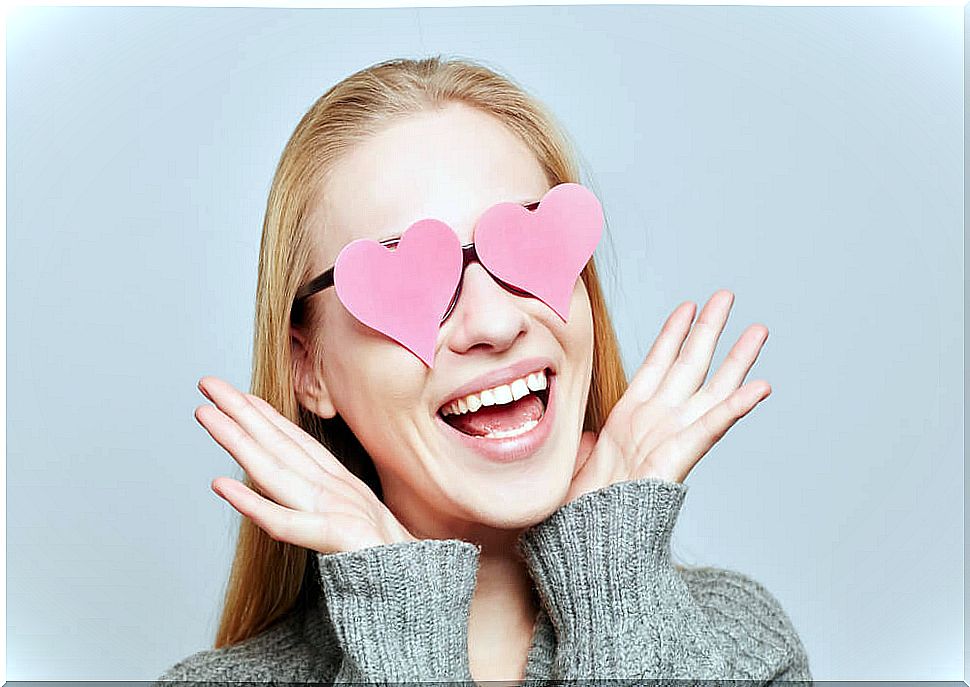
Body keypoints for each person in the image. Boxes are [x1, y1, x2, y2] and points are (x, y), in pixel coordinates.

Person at [155, 56, 812, 683]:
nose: (495, 324)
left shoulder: (743, 653)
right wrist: (402, 627)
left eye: (529, 246)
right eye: (410, 277)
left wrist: (612, 589)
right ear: (309, 368)